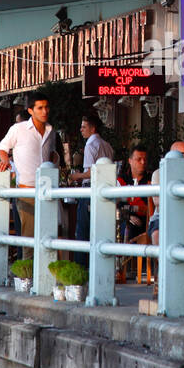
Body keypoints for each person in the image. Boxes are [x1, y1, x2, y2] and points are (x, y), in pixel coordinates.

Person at [0, 95, 57, 238]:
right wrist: (7, 163)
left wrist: (54, 165)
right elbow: (2, 148)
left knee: (48, 236)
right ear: (30, 110)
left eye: (46, 107)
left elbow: (51, 153)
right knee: (29, 237)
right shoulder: (18, 129)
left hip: (48, 190)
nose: (45, 111)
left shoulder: (50, 130)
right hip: (26, 191)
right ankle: (27, 261)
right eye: (40, 108)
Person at [69, 113, 114, 266]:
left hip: (90, 190)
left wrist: (76, 176)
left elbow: (91, 172)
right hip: (106, 190)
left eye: (84, 127)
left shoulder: (90, 145)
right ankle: (100, 265)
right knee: (101, 230)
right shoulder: (106, 145)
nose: (81, 129)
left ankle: (81, 267)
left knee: (83, 230)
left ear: (93, 128)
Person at [118, 145, 152, 244]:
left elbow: (148, 209)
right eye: (139, 159)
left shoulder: (151, 180)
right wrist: (128, 216)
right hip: (123, 219)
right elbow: (114, 205)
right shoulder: (121, 180)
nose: (143, 162)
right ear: (130, 161)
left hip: (145, 223)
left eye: (145, 159)